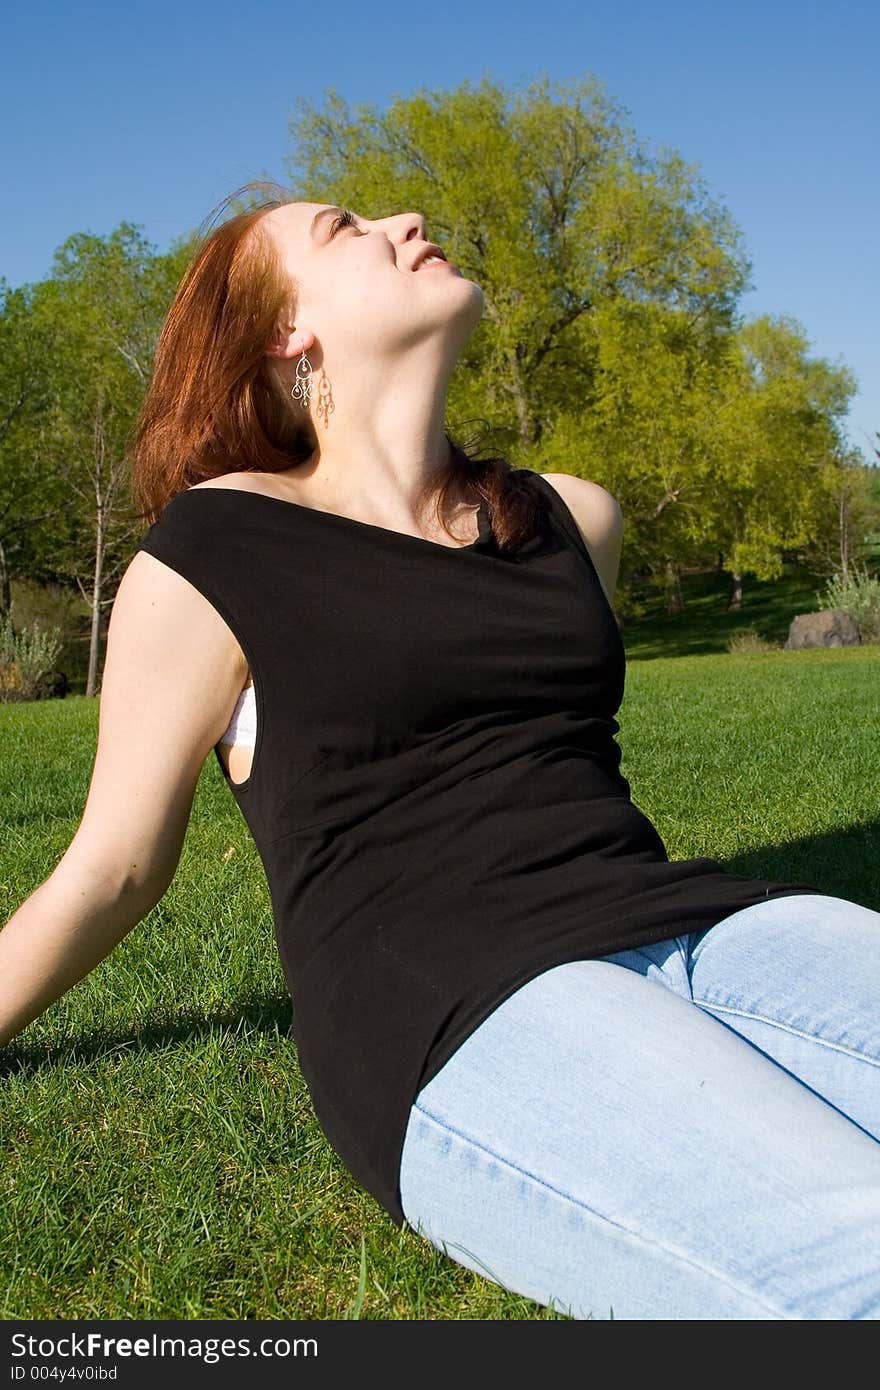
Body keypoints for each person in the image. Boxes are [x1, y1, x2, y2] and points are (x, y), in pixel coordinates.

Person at [2, 181, 878, 1322]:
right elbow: (114, 865)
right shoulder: (212, 549)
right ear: (284, 331)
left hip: (704, 920)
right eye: (346, 232)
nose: (406, 222)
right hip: (459, 1001)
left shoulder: (569, 516)